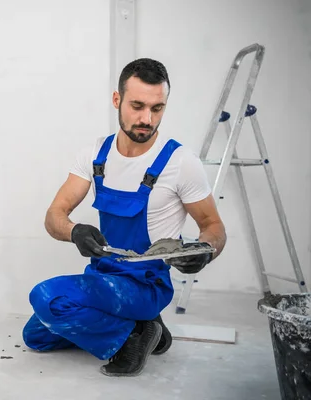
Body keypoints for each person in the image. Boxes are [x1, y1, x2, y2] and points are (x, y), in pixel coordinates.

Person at [22, 58, 227, 377]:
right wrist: (74, 231)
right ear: (117, 100)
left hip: (145, 285)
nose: (147, 118)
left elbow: (213, 227)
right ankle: (143, 328)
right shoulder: (95, 154)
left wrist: (205, 250)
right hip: (103, 278)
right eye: (137, 105)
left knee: (45, 296)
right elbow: (54, 216)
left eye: (157, 108)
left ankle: (133, 335)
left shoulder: (180, 162)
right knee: (35, 336)